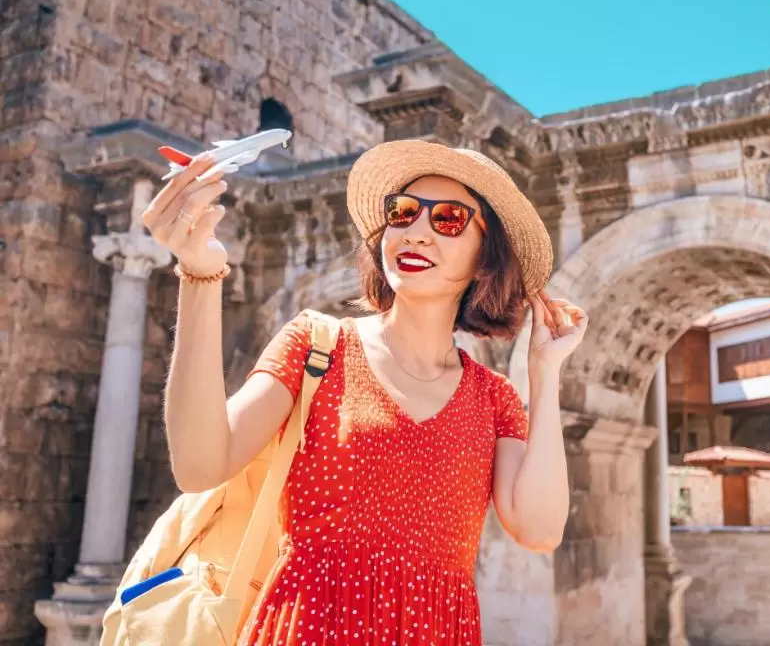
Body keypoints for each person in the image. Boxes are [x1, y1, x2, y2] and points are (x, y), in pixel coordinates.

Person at [141, 139, 588, 645]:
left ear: (486, 257)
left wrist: (545, 371)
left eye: (447, 219)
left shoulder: (493, 398)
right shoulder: (315, 345)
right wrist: (200, 273)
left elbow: (540, 529)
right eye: (401, 213)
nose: (415, 232)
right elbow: (200, 465)